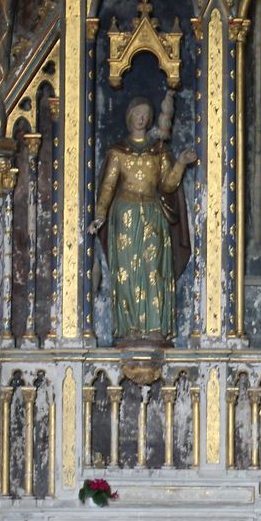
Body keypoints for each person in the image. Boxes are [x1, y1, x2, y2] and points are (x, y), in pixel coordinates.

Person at [89, 95, 196, 344]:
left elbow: (168, 185)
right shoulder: (118, 152)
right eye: (138, 113)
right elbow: (107, 186)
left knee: (154, 271)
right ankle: (130, 329)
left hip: (152, 214)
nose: (142, 118)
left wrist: (180, 163)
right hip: (124, 215)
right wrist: (100, 216)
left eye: (146, 114)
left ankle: (155, 327)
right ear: (129, 117)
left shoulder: (158, 151)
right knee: (126, 272)